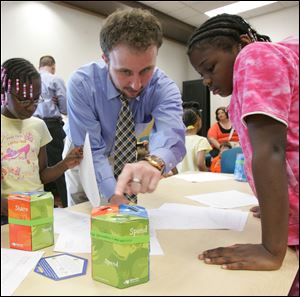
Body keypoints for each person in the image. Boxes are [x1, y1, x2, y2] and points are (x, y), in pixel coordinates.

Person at [187, 13, 299, 294]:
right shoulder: (243, 88)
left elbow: (270, 151)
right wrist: (278, 202)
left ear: (242, 43)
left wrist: (270, 249)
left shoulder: (255, 55)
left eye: (210, 68)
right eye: (202, 75)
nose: (206, 81)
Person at [63, 8, 186, 206]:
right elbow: (92, 150)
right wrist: (115, 194)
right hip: (81, 151)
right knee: (82, 206)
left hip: (123, 153)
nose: (136, 85)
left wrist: (155, 162)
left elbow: (172, 136)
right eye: (125, 71)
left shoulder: (163, 87)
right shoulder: (82, 84)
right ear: (105, 59)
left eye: (146, 70)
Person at [1, 58, 83, 223]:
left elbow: (41, 175)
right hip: (6, 215)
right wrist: (20, 209)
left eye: (36, 100)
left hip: (36, 210)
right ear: (4, 92)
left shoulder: (38, 126)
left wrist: (65, 163)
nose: (31, 107)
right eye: (24, 100)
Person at [33, 55, 68, 207]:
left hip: (32, 126)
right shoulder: (55, 79)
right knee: (59, 166)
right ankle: (66, 203)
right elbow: (66, 108)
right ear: (52, 66)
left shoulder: (31, 80)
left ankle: (46, 205)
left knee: (39, 168)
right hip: (51, 126)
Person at [177, 108, 211, 173]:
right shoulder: (201, 140)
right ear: (198, 121)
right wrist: (208, 172)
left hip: (180, 178)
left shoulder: (178, 140)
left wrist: (176, 174)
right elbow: (200, 164)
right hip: (195, 179)